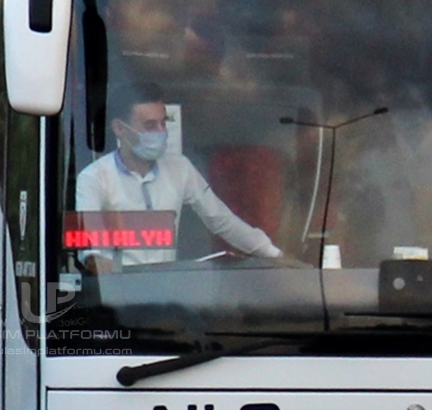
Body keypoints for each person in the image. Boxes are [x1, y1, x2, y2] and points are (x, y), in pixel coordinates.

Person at [75, 85, 282, 271]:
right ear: (119, 128)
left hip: (169, 288)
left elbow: (221, 220)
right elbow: (92, 246)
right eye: (150, 126)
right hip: (119, 293)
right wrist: (98, 262)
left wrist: (275, 255)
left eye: (164, 123)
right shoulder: (94, 178)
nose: (161, 132)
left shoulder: (179, 168)